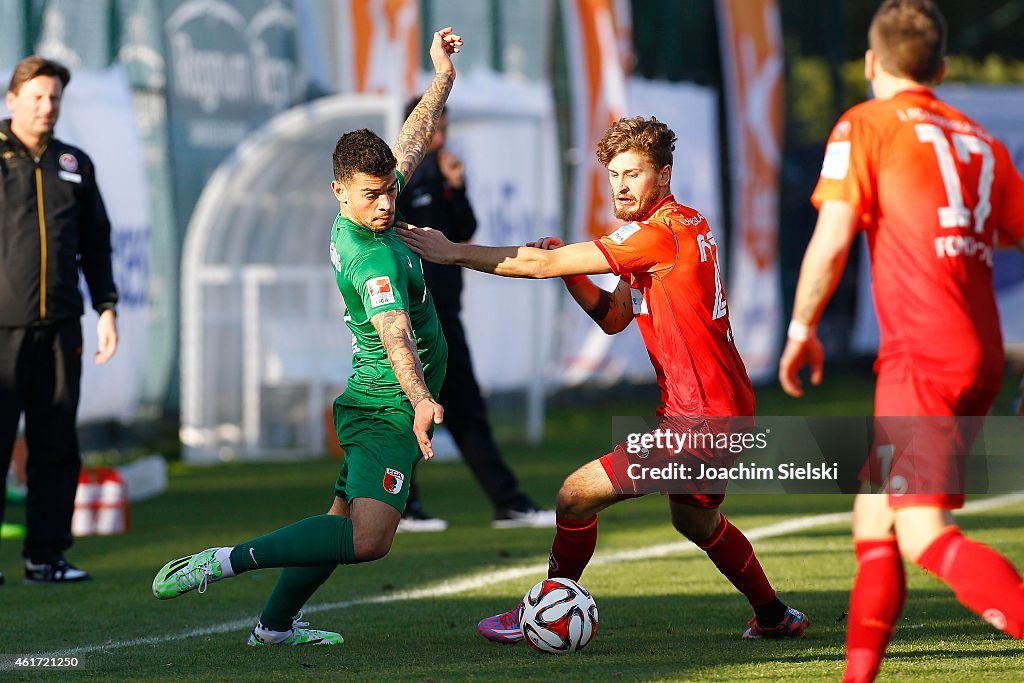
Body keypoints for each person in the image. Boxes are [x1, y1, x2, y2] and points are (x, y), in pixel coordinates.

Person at [399, 115, 809, 642]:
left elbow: (534, 265)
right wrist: (570, 267)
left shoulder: (655, 236)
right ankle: (773, 616)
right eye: (614, 173)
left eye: (633, 173)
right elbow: (615, 318)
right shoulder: (683, 223)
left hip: (700, 420)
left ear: (662, 175)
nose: (620, 184)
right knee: (696, 524)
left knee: (573, 495)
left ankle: (543, 612)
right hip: (722, 408)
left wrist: (451, 250)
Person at [151, 27, 463, 647]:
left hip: (388, 403)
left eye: (387, 192)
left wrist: (442, 77)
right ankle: (224, 561)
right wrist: (422, 400)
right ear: (338, 192)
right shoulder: (369, 256)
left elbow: (411, 139)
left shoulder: (377, 198)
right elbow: (395, 333)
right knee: (368, 541)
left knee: (340, 522)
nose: (384, 206)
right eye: (371, 197)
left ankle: (272, 627)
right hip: (387, 406)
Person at [777, 2, 1024, 681]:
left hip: (922, 354)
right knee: (873, 523)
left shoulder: (866, 124)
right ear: (941, 69)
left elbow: (831, 242)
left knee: (924, 534)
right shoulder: (980, 140)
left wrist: (801, 330)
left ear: (869, 62)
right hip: (979, 353)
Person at [395, 98, 554, 532]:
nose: (440, 138)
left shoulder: (444, 175)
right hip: (413, 317)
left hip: (446, 314)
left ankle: (509, 503)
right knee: (405, 409)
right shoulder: (398, 183)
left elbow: (464, 232)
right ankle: (402, 505)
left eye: (443, 128)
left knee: (463, 409)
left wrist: (457, 187)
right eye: (432, 129)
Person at [0, 56, 119, 586]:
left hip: (61, 329)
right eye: (37, 98)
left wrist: (107, 308)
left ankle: (45, 557)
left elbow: (96, 244)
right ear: (12, 100)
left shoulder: (75, 163)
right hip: (2, 331)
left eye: (54, 99)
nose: (47, 107)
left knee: (55, 445)